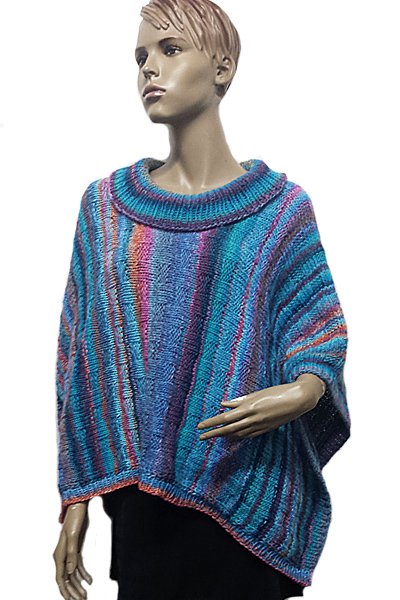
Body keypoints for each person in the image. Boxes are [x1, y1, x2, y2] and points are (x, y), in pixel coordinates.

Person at [53, 1, 351, 599]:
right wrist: (76, 495)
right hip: (141, 511)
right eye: (140, 57)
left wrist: (305, 389)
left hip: (247, 488)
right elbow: (79, 359)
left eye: (169, 50)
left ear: (222, 67)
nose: (149, 69)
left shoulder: (279, 212)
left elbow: (319, 333)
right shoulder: (105, 209)